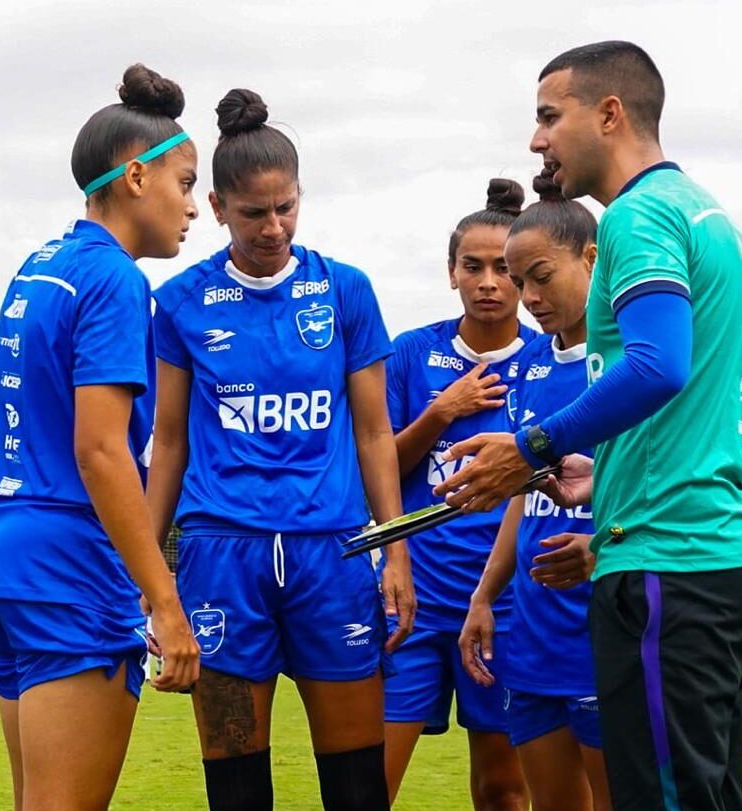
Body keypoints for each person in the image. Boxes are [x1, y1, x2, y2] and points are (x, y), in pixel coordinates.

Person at [436, 41, 742, 811]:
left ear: (610, 113)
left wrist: (529, 446)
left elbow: (658, 367)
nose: (536, 140)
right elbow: (708, 417)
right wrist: (603, 485)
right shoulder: (714, 220)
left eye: (550, 117)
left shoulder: (637, 215)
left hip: (670, 566)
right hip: (709, 551)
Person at [147, 87, 415, 811]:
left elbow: (372, 434)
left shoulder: (345, 290)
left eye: (287, 206)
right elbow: (167, 441)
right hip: (222, 553)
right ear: (218, 204)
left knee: (358, 785)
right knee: (236, 787)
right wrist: (147, 570)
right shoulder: (179, 303)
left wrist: (395, 550)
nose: (274, 226)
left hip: (334, 550)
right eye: (255, 211)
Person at [0, 64, 200, 811]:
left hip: (3, 554)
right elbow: (99, 450)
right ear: (136, 177)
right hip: (66, 563)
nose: (194, 208)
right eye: (186, 183)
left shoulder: (40, 265)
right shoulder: (116, 280)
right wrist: (164, 599)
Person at [458, 173, 611, 811]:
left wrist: (604, 545)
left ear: (592, 258)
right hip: (533, 631)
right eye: (523, 284)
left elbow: (663, 480)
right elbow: (523, 495)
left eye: (540, 277)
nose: (529, 297)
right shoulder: (525, 367)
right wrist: (484, 597)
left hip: (605, 628)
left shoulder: (635, 363)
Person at [381, 180, 534, 809]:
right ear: (452, 273)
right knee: (370, 781)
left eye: (504, 267)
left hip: (504, 605)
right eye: (474, 266)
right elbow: (377, 466)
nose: (489, 282)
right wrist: (440, 412)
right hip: (412, 598)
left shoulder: (549, 360)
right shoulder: (411, 353)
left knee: (502, 787)